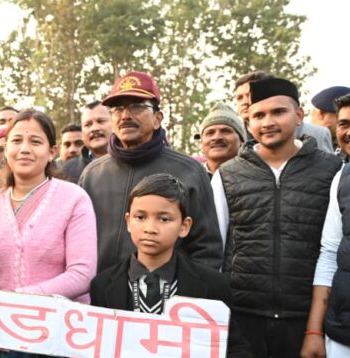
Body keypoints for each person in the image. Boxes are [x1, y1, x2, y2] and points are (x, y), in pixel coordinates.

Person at [66, 174, 256, 358]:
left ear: (184, 226)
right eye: (141, 217)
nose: (150, 228)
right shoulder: (104, 285)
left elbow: (234, 343)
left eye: (164, 219)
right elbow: (97, 349)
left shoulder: (210, 284)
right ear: (128, 220)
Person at [213, 77, 341, 358]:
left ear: (299, 115)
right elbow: (216, 246)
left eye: (278, 112)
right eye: (259, 115)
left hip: (303, 316)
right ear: (249, 122)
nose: (268, 121)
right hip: (243, 314)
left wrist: (318, 325)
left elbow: (331, 248)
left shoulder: (330, 171)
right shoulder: (229, 174)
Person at [0, 108, 97, 358]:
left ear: (52, 151)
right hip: (1, 341)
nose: (24, 149)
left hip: (57, 342)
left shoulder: (74, 198)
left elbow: (82, 273)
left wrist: (24, 298)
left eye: (35, 141)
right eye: (17, 140)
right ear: (4, 148)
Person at [81, 71, 222, 273]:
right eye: (118, 109)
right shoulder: (92, 174)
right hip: (98, 297)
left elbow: (207, 249)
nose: (125, 115)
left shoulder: (189, 171)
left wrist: (183, 297)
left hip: (166, 297)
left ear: (157, 118)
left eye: (137, 106)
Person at [302, 93, 350, 358]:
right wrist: (315, 332)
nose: (348, 132)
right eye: (345, 124)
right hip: (344, 335)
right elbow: (329, 254)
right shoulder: (341, 179)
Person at [234, 71, 333, 154]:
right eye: (239, 98)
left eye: (249, 95)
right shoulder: (231, 136)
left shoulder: (318, 134)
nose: (245, 102)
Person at [64, 101, 111, 184]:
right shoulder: (67, 170)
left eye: (100, 121)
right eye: (88, 125)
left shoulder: (132, 162)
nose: (94, 128)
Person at [195, 103, 245, 178]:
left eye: (225, 131)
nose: (217, 137)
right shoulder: (187, 179)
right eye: (210, 133)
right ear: (201, 141)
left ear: (241, 140)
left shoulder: (256, 177)